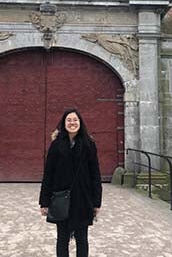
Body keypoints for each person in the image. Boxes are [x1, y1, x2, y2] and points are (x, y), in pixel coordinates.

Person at [39, 108, 102, 257]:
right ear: (64, 123)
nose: (72, 123)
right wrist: (44, 202)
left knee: (82, 239)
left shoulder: (88, 145)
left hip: (83, 198)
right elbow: (48, 174)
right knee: (62, 238)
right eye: (69, 120)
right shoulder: (56, 145)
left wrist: (96, 202)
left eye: (75, 120)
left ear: (80, 122)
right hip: (61, 198)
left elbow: (95, 175)